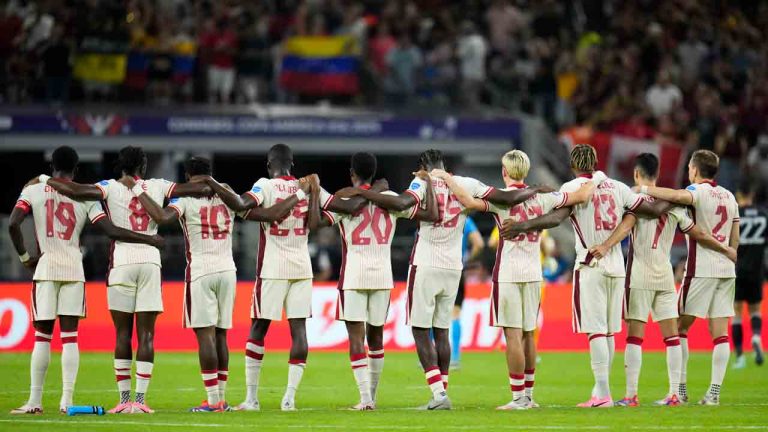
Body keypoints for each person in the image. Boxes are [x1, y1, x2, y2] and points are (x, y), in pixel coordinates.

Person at [350, 149, 546, 410]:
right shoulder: (466, 184)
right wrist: (533, 189)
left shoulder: (421, 182)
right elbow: (503, 196)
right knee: (442, 329)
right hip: (454, 266)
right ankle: (442, 390)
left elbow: (404, 204)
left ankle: (438, 394)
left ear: (423, 166)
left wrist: (376, 192)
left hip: (426, 262)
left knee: (421, 329)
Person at [127, 156, 303, 412]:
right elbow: (256, 213)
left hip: (201, 270)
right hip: (227, 270)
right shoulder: (228, 193)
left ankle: (212, 401)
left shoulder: (185, 197)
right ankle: (221, 398)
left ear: (188, 177)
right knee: (221, 335)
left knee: (206, 336)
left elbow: (163, 217)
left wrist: (137, 190)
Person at [499, 144, 669, 408]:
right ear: (596, 161)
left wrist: (522, 226)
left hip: (590, 263)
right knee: (610, 332)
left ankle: (602, 394)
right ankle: (602, 391)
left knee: (597, 332)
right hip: (617, 266)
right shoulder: (618, 187)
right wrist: (677, 196)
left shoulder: (571, 188)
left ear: (573, 165)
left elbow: (555, 219)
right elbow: (650, 211)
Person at [43, 146, 208, 414]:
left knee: (122, 334)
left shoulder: (109, 187)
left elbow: (74, 191)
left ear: (121, 165)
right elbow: (195, 190)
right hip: (150, 262)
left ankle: (123, 400)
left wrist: (43, 179)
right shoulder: (158, 185)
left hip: (121, 263)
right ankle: (141, 403)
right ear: (143, 166)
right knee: (146, 334)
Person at [432, 149, 600, 409]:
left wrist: (446, 178)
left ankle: (518, 397)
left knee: (512, 336)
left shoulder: (501, 199)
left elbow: (468, 200)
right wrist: (596, 178)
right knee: (529, 335)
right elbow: (580, 196)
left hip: (508, 273)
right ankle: (529, 397)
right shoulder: (544, 198)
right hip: (534, 273)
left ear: (504, 172)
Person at [205, 143, 367, 411]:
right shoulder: (309, 187)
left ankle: (252, 399)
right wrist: (368, 192)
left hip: (271, 268)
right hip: (302, 267)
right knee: (299, 331)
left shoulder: (265, 186)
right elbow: (343, 207)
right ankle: (289, 398)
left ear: (270, 165)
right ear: (292, 164)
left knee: (258, 329)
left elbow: (243, 204)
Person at [9, 146, 163, 415]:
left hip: (45, 266)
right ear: (76, 169)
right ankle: (67, 401)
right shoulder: (86, 198)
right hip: (73, 268)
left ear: (52, 166)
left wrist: (24, 257)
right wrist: (149, 239)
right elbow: (110, 230)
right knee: (70, 338)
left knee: (42, 337)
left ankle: (34, 402)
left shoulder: (32, 189)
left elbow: (13, 223)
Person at [588, 153, 736, 407]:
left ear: (637, 174)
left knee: (635, 337)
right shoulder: (675, 206)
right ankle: (674, 393)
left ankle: (631, 395)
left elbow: (625, 227)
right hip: (665, 275)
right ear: (657, 175)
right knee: (672, 337)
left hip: (639, 275)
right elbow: (695, 231)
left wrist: (606, 243)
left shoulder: (635, 200)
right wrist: (727, 250)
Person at [309, 152, 438, 410]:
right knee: (376, 337)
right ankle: (373, 396)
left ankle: (365, 399)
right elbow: (429, 215)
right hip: (382, 274)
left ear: (352, 174)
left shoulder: (345, 199)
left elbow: (317, 222)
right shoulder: (389, 199)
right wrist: (429, 186)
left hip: (353, 274)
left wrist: (315, 192)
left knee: (356, 338)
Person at [640, 150, 740, 405]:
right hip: (727, 270)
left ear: (695, 170)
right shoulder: (729, 196)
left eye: (689, 169)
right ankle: (713, 393)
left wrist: (645, 188)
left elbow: (675, 196)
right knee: (720, 334)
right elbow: (735, 232)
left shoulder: (696, 192)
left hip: (701, 269)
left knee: (679, 328)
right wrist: (731, 251)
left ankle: (680, 391)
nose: (688, 173)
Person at [732, 181, 767, 369]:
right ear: (751, 195)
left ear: (739, 195)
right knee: (755, 310)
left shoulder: (736, 215)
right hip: (757, 271)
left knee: (736, 313)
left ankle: (739, 357)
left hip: (737, 271)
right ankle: (755, 337)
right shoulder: (763, 215)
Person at [449, 216, 484, 370]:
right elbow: (479, 243)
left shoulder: (433, 213)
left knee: (432, 312)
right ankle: (455, 357)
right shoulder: (465, 219)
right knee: (455, 313)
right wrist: (467, 259)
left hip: (435, 268)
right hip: (457, 268)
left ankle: (429, 356)